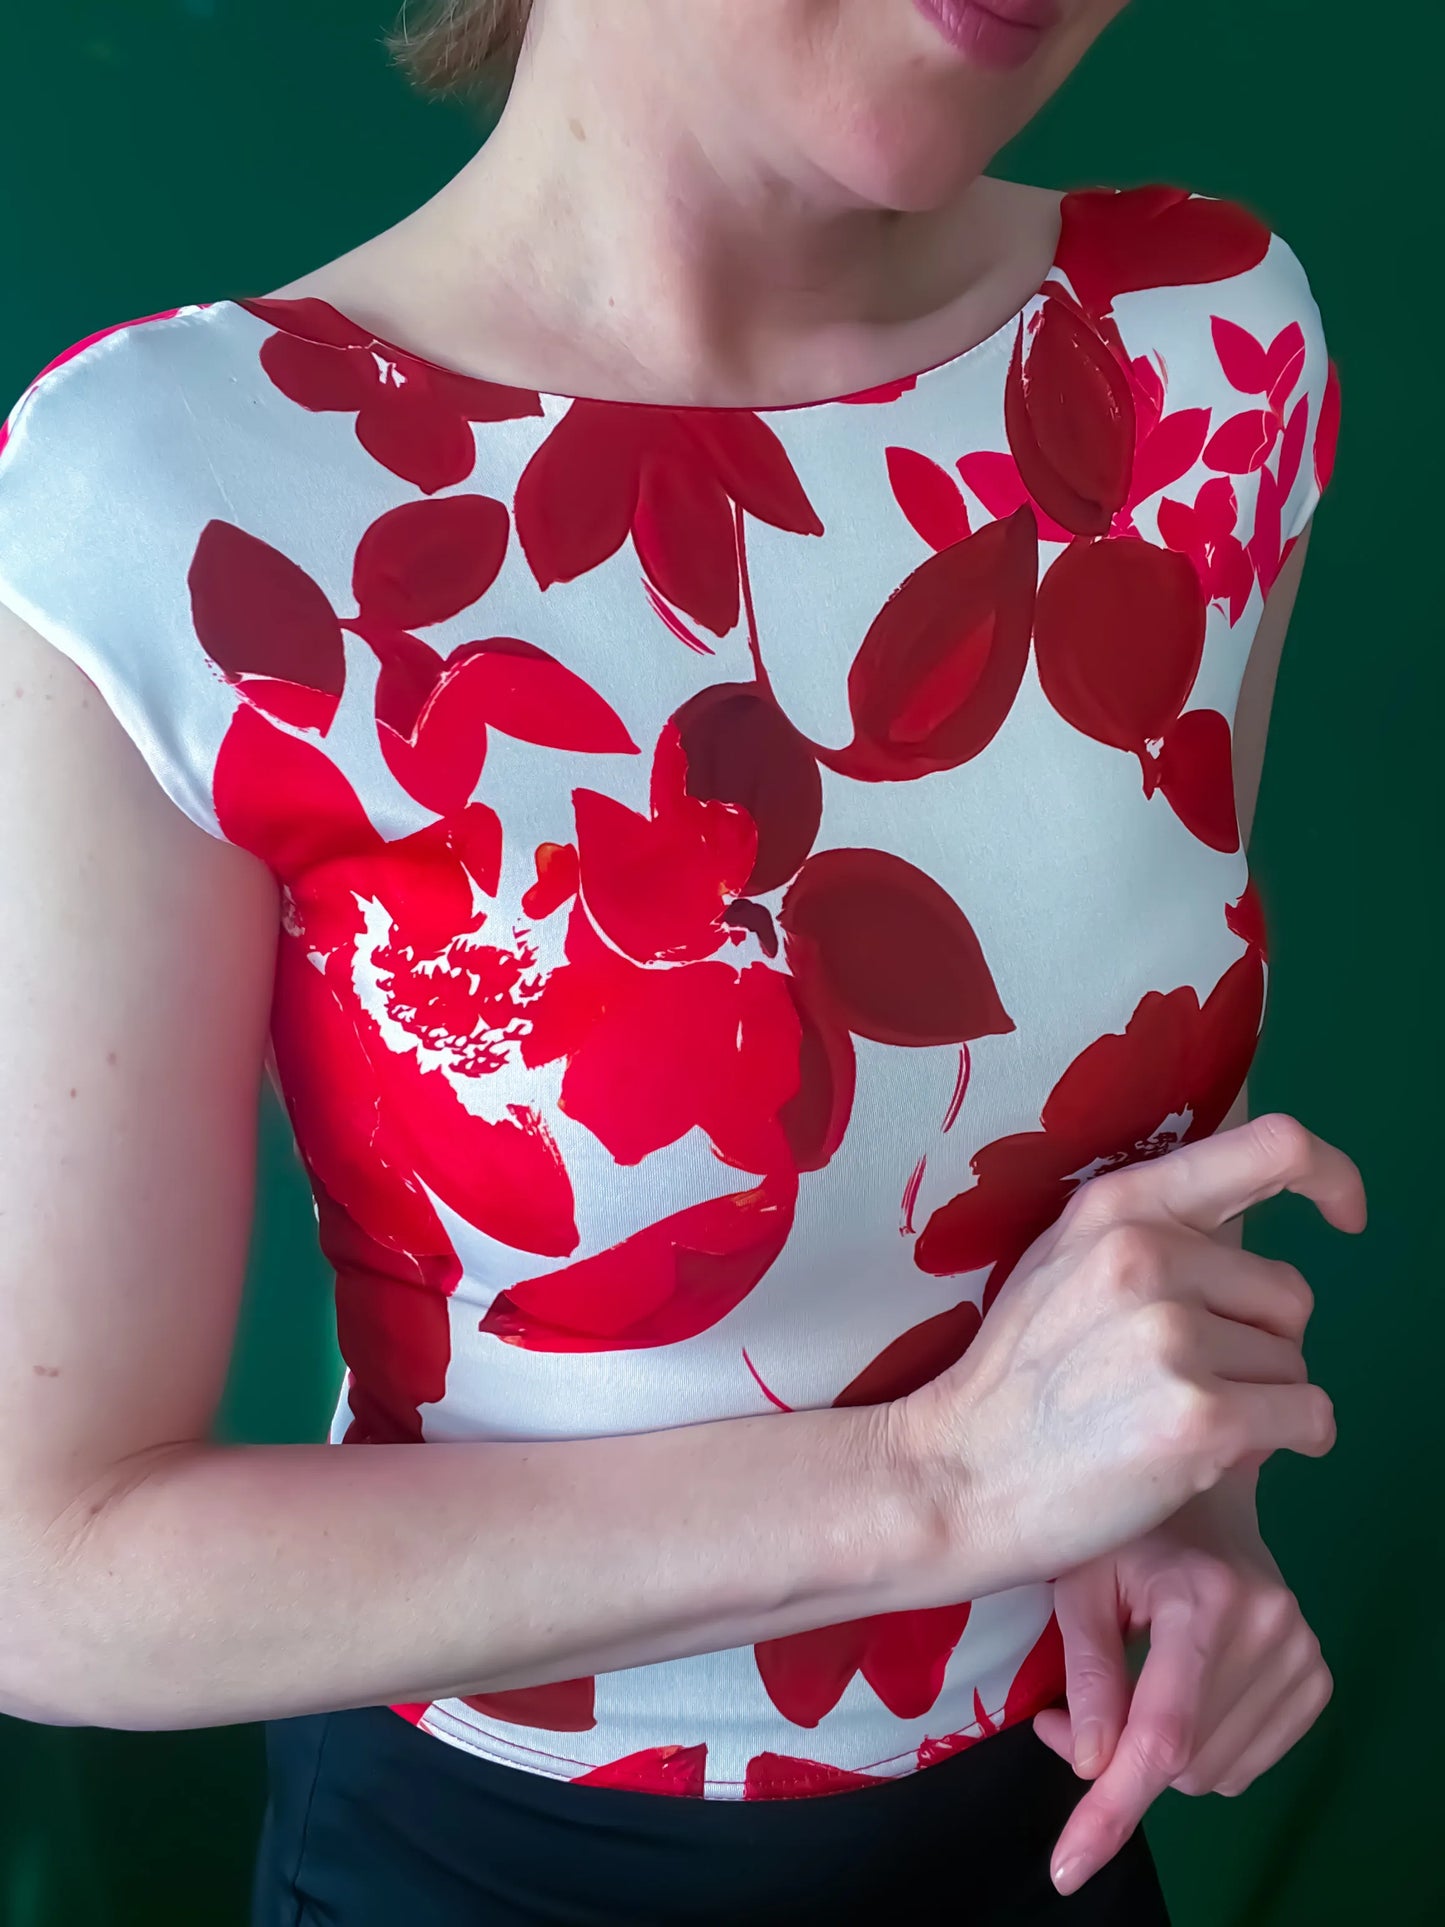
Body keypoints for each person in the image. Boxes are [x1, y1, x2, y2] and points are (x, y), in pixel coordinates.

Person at [0, 1, 1364, 1921]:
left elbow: (1137, 1096)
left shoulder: (1204, 345)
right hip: (491, 1853)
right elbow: (45, 1568)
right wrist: (938, 1493)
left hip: (1044, 1823)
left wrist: (1183, 1495)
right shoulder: (172, 498)